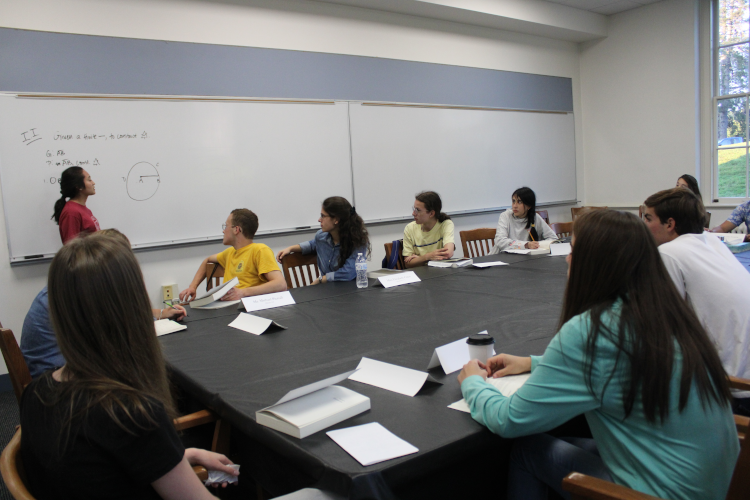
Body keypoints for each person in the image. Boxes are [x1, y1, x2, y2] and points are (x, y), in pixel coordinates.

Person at [457, 210, 738, 500]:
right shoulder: (668, 312)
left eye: (573, 251)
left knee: (528, 450)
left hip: (661, 492)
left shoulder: (593, 331)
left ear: (594, 263)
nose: (567, 259)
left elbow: (510, 419)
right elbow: (623, 367)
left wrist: (473, 383)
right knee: (562, 442)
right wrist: (534, 363)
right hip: (714, 484)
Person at [20, 232, 239, 500]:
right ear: (132, 308)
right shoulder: (132, 414)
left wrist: (180, 455)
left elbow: (98, 464)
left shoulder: (36, 393)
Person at [20, 229, 187, 379]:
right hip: (57, 378)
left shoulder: (71, 284)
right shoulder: (81, 291)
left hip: (55, 373)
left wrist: (159, 313)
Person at [643, 188, 750, 416]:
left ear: (670, 223)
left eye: (648, 218)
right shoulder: (713, 242)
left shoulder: (669, 253)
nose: (643, 225)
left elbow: (660, 324)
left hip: (732, 391)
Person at [179, 209, 286, 302]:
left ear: (236, 230)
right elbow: (207, 260)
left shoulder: (260, 250)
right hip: (228, 306)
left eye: (226, 226)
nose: (223, 230)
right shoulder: (229, 252)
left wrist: (243, 292)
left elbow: (280, 284)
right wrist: (193, 287)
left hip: (249, 306)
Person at [276, 197, 370, 284]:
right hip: (327, 290)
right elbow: (312, 244)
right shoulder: (321, 236)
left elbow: (349, 273)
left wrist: (321, 279)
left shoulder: (357, 240)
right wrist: (291, 248)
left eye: (323, 216)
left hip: (350, 290)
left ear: (336, 220)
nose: (319, 220)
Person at [490, 187, 556, 253]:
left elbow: (553, 238)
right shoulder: (505, 216)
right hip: (501, 257)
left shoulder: (535, 217)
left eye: (519, 202)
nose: (515, 206)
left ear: (529, 206)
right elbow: (500, 241)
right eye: (513, 201)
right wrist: (526, 245)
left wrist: (538, 245)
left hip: (525, 258)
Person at [402, 191, 455, 267]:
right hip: (421, 274)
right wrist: (427, 257)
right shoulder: (410, 228)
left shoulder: (445, 224)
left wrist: (420, 259)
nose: (413, 213)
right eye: (414, 209)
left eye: (418, 210)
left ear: (431, 213)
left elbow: (448, 253)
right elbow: (408, 263)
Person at [52, 166, 100, 244]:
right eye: (89, 180)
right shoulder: (71, 212)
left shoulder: (84, 209)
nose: (93, 183)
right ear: (79, 186)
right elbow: (71, 248)